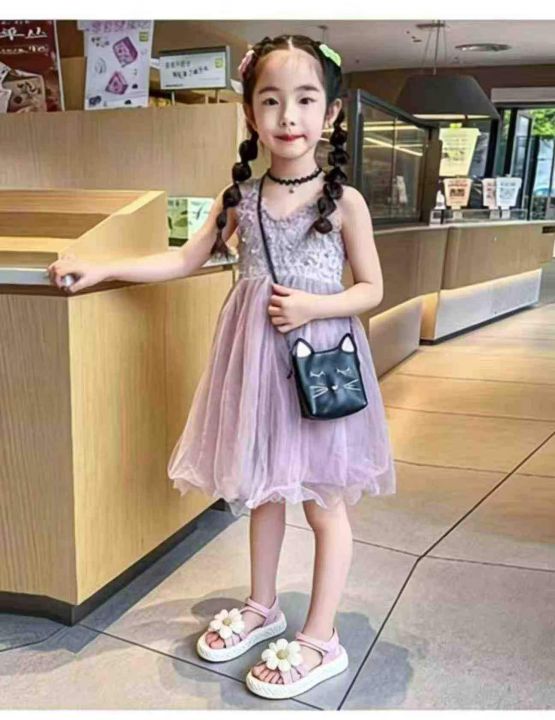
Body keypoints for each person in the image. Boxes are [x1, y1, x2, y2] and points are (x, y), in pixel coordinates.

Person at [47, 34, 396, 701]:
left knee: (324, 501)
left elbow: (372, 288)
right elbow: (183, 259)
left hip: (318, 368)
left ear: (330, 114)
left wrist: (315, 305)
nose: (288, 116)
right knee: (260, 489)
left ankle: (322, 636)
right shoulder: (239, 198)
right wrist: (103, 266)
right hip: (255, 364)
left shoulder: (344, 201)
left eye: (305, 100)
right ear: (249, 112)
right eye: (271, 100)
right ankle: (263, 605)